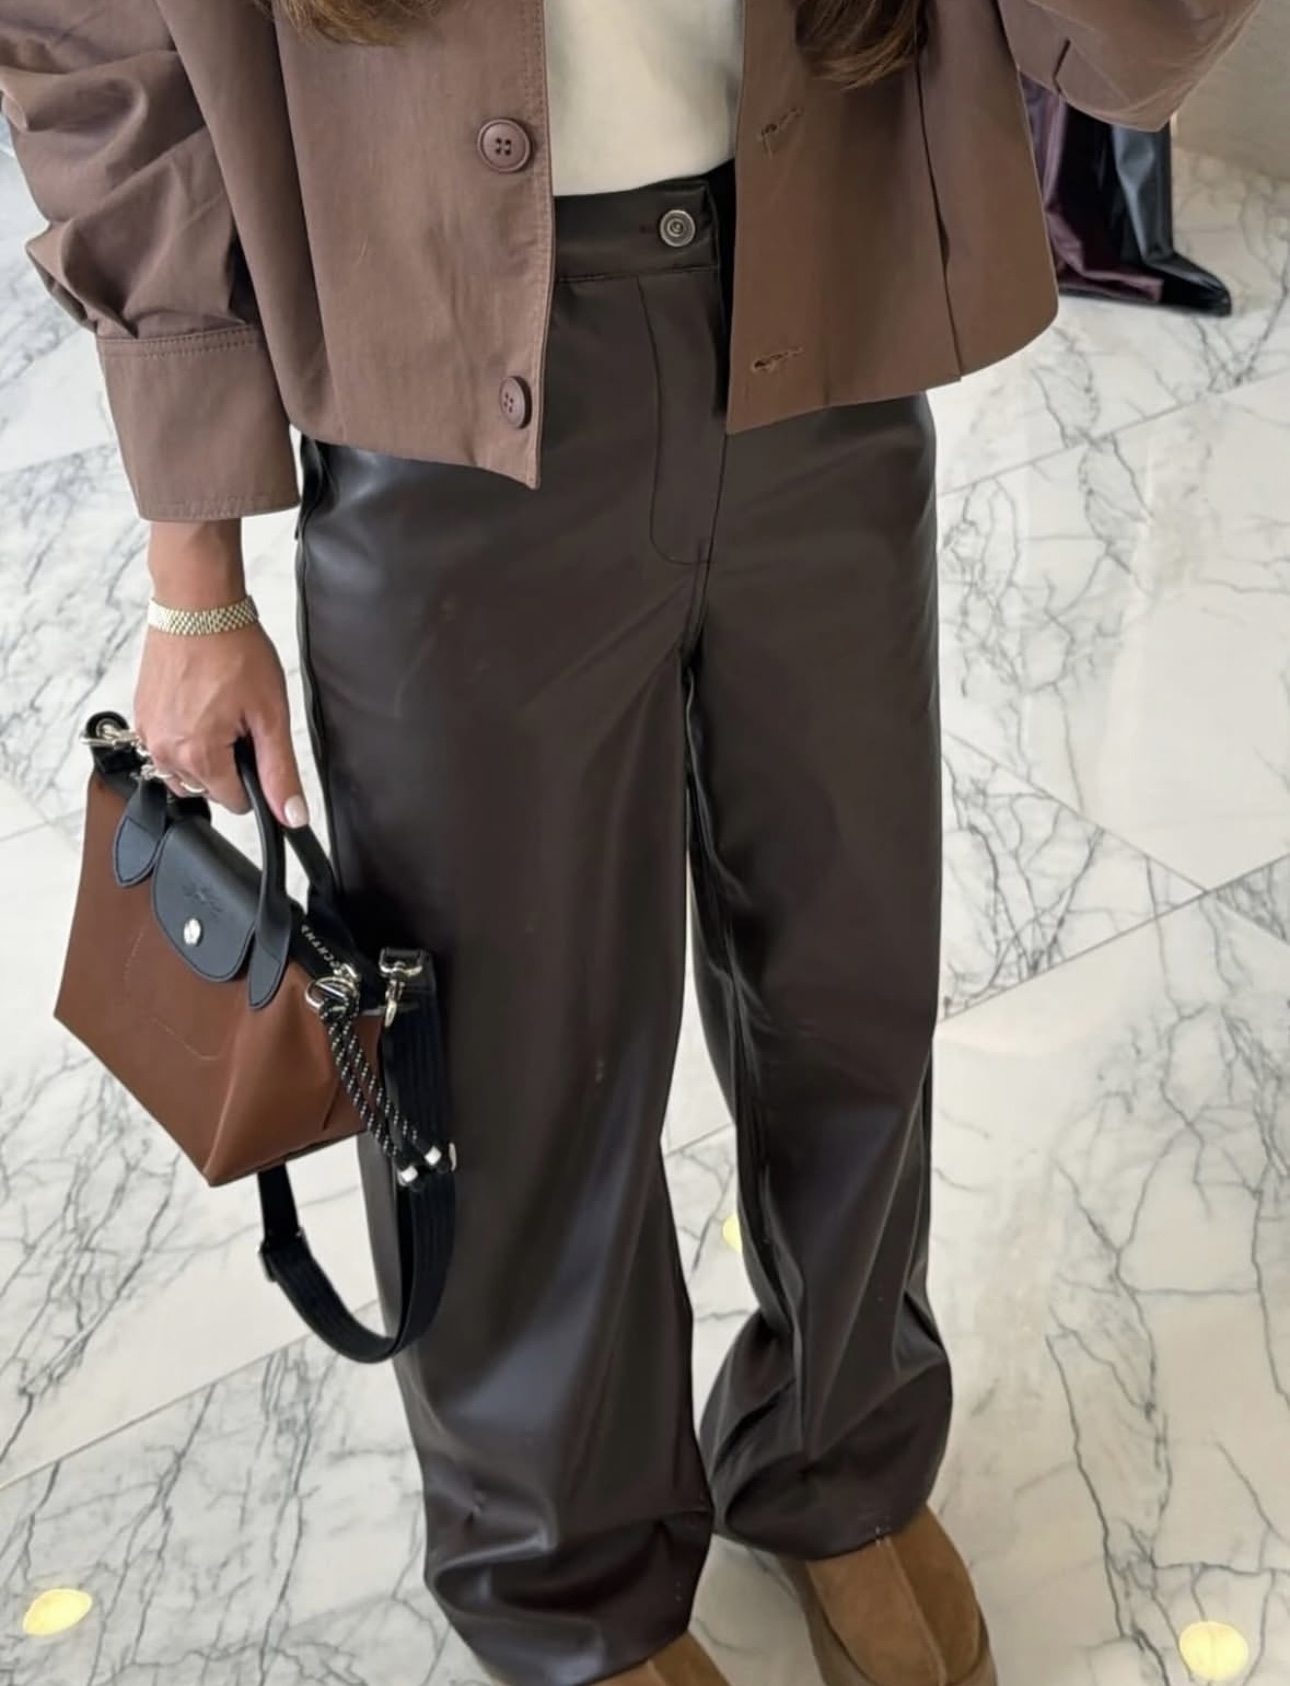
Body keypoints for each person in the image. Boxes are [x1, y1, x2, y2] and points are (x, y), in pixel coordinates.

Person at [0, 4, 1259, 1686]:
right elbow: (102, 52)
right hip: (434, 368)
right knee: (506, 1052)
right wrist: (193, 572)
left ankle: (837, 1452)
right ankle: (566, 1572)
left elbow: (1121, 50)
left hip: (816, 292)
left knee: (848, 969)